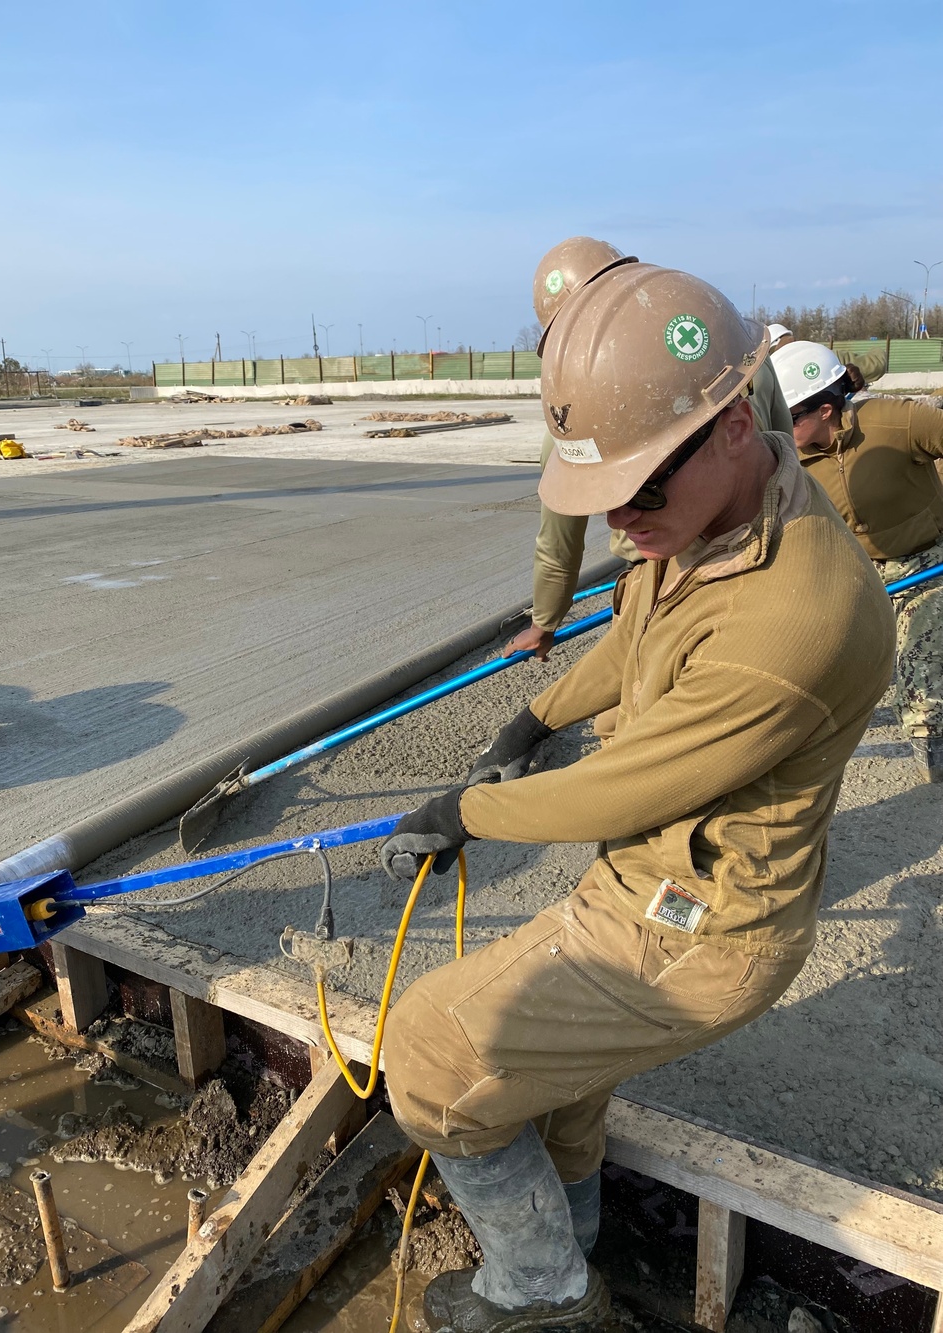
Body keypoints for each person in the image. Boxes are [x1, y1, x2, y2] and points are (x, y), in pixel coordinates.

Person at [380, 264, 895, 1333]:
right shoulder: (705, 519)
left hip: (704, 930)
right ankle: (569, 1242)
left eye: (640, 490)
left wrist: (469, 811)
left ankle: (544, 1293)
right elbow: (635, 637)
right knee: (550, 1089)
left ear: (732, 427)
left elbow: (624, 786)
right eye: (600, 495)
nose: (620, 520)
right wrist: (534, 718)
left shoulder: (795, 619)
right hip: (653, 879)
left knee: (429, 1051)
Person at [508, 245, 794, 664]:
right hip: (765, 553)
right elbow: (783, 451)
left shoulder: (584, 429)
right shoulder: (736, 353)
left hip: (664, 577)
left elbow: (559, 541)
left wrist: (545, 622)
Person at [772, 340, 943, 782]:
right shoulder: (787, 460)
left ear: (825, 411)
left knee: (920, 650)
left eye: (788, 419)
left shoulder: (896, 422)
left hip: (923, 559)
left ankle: (929, 739)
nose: (777, 429)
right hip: (852, 567)